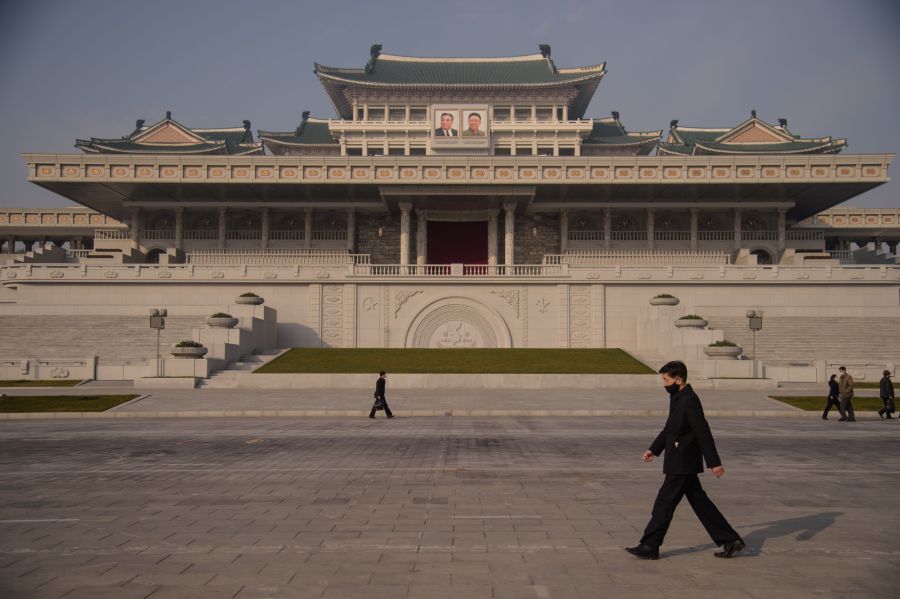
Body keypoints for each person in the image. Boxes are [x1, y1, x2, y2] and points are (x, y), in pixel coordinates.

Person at [626, 360, 744, 560]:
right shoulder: (679, 398)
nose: (664, 384)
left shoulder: (689, 400)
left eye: (666, 379)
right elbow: (670, 429)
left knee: (664, 503)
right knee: (701, 503)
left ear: (678, 380)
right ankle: (730, 540)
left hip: (682, 462)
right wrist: (653, 449)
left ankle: (649, 545)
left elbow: (702, 431)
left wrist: (714, 462)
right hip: (681, 461)